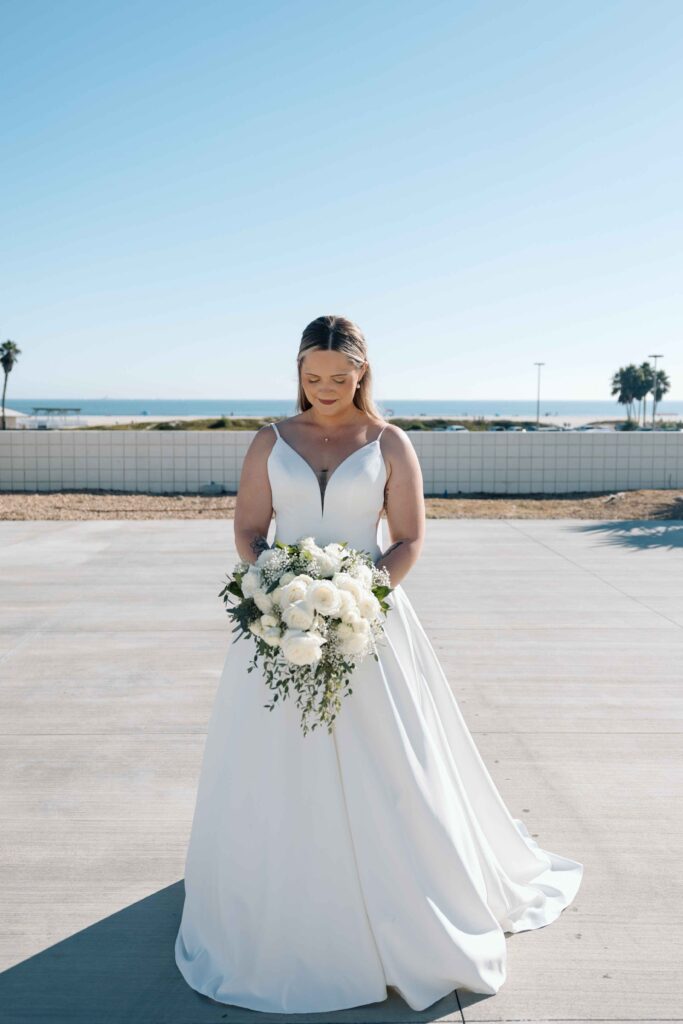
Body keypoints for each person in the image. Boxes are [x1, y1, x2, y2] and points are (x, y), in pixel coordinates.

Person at [174, 314, 583, 1013]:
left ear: (362, 371)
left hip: (371, 624)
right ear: (297, 374)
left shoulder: (390, 443)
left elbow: (408, 538)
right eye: (312, 378)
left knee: (394, 766)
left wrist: (360, 595)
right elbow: (247, 531)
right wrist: (276, 588)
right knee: (273, 762)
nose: (326, 389)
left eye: (339, 377)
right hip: (280, 624)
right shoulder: (268, 442)